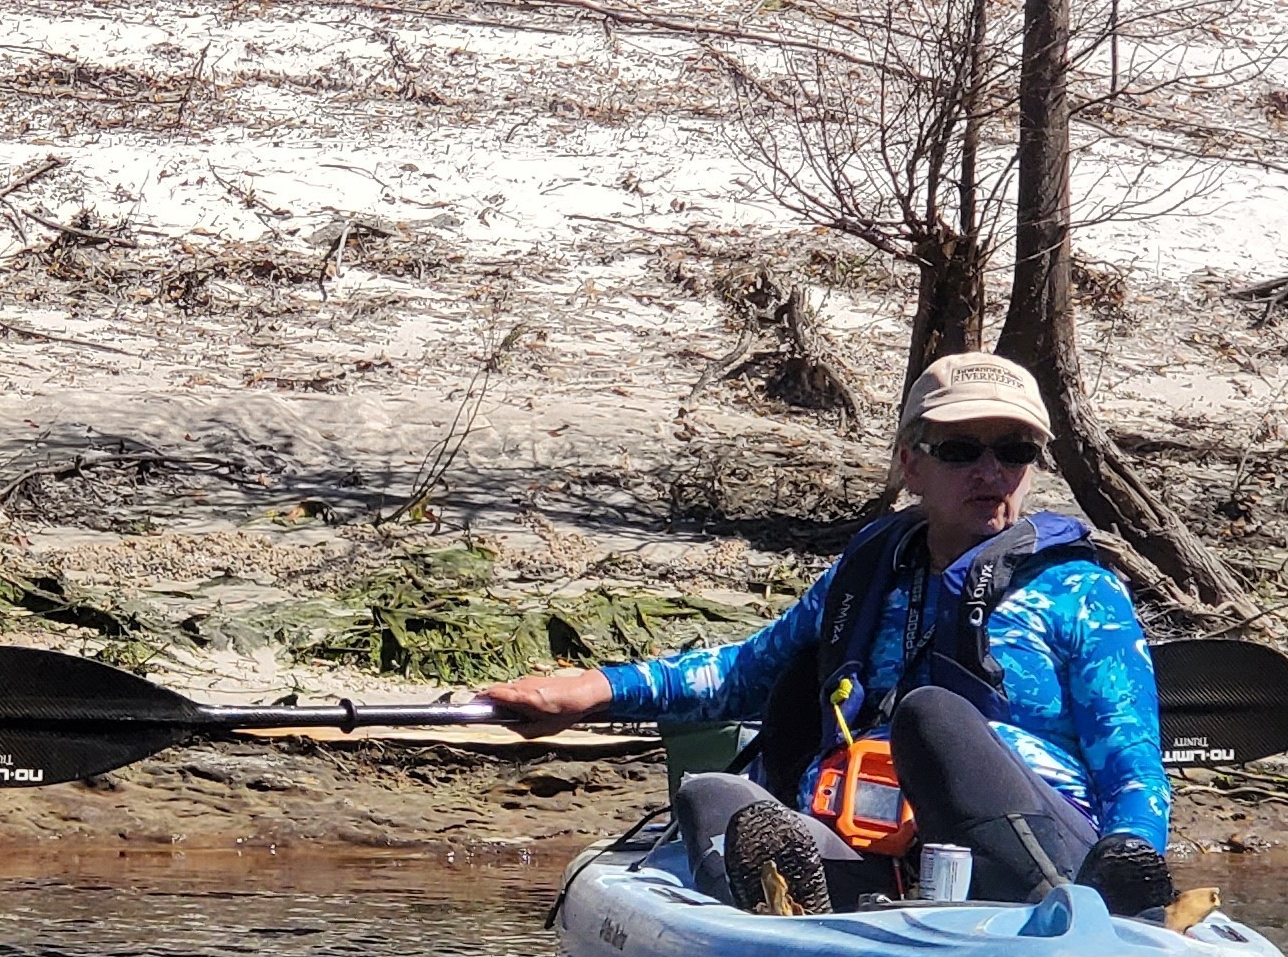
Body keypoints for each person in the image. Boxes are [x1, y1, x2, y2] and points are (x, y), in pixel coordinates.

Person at [482, 352, 1180, 918]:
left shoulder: (1083, 592)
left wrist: (1129, 859)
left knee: (931, 717)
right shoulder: (865, 576)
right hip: (871, 851)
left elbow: (1132, 760)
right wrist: (597, 689)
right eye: (964, 450)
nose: (993, 473)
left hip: (1041, 873)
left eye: (1016, 450)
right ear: (912, 463)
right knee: (712, 799)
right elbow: (745, 674)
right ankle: (803, 927)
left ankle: (1069, 913)